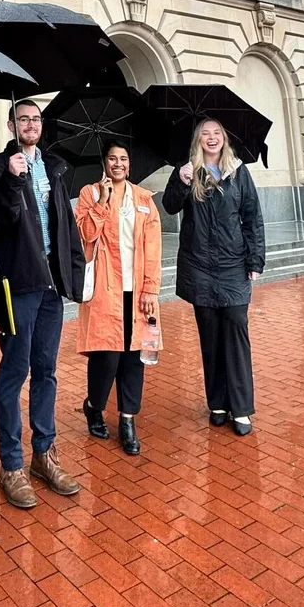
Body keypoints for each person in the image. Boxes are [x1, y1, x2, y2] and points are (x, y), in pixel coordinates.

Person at [0, 98, 86, 508]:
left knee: (46, 370)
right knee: (14, 371)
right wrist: (11, 179)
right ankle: (12, 464)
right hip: (18, 285)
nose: (30, 124)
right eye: (22, 119)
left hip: (50, 286)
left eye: (35, 119)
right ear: (11, 125)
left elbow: (65, 225)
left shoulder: (53, 167)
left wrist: (74, 275)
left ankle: (44, 453)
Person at [162, 119, 265, 436]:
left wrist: (255, 260)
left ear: (224, 138)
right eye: (205, 133)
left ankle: (241, 408)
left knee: (236, 330)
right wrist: (182, 182)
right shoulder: (187, 170)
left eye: (217, 132)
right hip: (200, 266)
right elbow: (169, 206)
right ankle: (218, 403)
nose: (211, 137)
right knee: (210, 336)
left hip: (233, 265)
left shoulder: (238, 171)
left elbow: (252, 217)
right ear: (198, 140)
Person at [74, 139, 162, 456]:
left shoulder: (144, 199)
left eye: (123, 158)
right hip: (104, 289)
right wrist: (102, 201)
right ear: (104, 163)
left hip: (138, 291)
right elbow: (85, 234)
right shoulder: (89, 193)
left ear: (129, 164)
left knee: (134, 358)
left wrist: (151, 288)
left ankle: (127, 421)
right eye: (112, 158)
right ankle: (94, 406)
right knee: (106, 356)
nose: (118, 164)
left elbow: (153, 248)